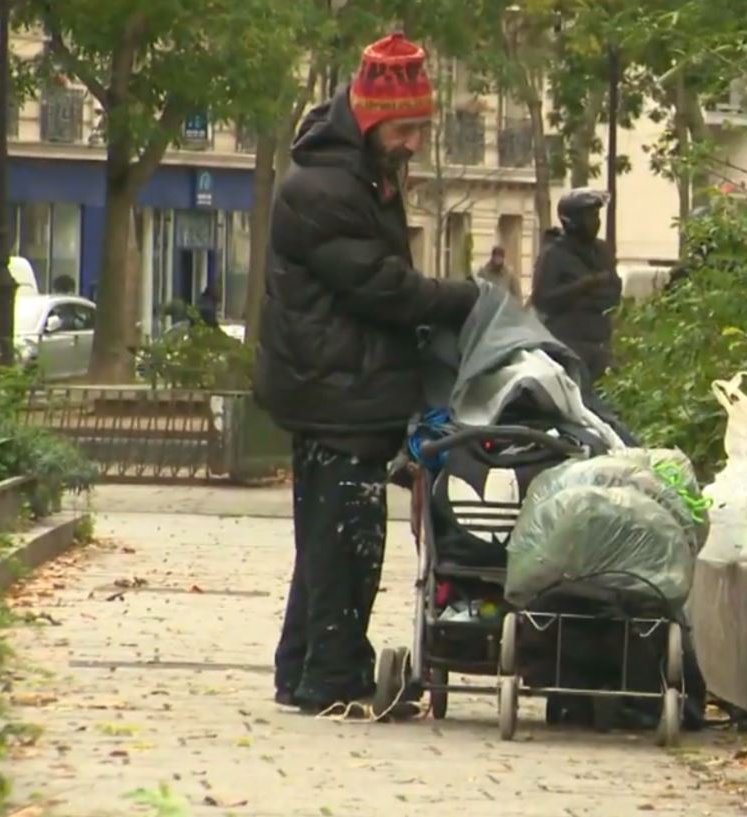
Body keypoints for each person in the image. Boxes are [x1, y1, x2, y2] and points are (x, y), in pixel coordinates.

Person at [252, 32, 479, 715]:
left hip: (342, 378)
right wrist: (464, 298)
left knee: (328, 532)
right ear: (375, 120)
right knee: (346, 535)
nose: (415, 143)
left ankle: (304, 667)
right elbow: (379, 285)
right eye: (407, 129)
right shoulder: (323, 187)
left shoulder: (361, 174)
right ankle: (333, 675)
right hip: (333, 385)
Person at [530, 190, 622, 386]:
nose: (595, 222)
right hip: (568, 346)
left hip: (600, 343)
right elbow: (543, 300)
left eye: (597, 216)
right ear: (572, 220)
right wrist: (582, 286)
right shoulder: (554, 254)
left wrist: (592, 292)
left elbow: (613, 293)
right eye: (590, 216)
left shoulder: (602, 251)